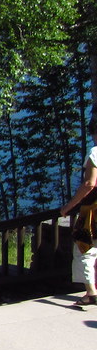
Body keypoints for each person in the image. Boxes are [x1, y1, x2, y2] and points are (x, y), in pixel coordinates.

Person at [61, 119, 97, 306]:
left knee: (85, 249)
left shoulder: (95, 153)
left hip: (94, 211)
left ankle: (91, 292)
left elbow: (89, 184)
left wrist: (68, 207)